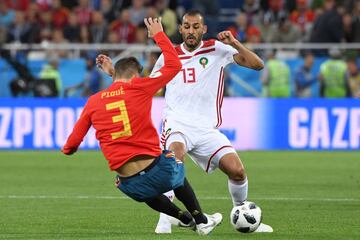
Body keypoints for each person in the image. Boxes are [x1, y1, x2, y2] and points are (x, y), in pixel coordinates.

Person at [97, 9, 272, 234]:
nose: (191, 31)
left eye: (196, 27)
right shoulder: (169, 56)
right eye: (187, 27)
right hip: (176, 122)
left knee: (237, 171)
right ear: (180, 29)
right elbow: (144, 88)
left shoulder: (217, 49)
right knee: (174, 162)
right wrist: (115, 74)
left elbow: (257, 65)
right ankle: (165, 219)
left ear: (204, 29)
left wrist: (235, 43)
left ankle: (242, 211)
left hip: (206, 128)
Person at [62, 17, 222, 236]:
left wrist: (68, 150)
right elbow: (174, 65)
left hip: (129, 185)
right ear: (136, 76)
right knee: (174, 167)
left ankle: (182, 218)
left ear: (115, 75)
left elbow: (71, 145)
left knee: (145, 191)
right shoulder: (140, 87)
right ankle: (201, 220)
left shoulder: (94, 101)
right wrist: (159, 35)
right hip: (158, 169)